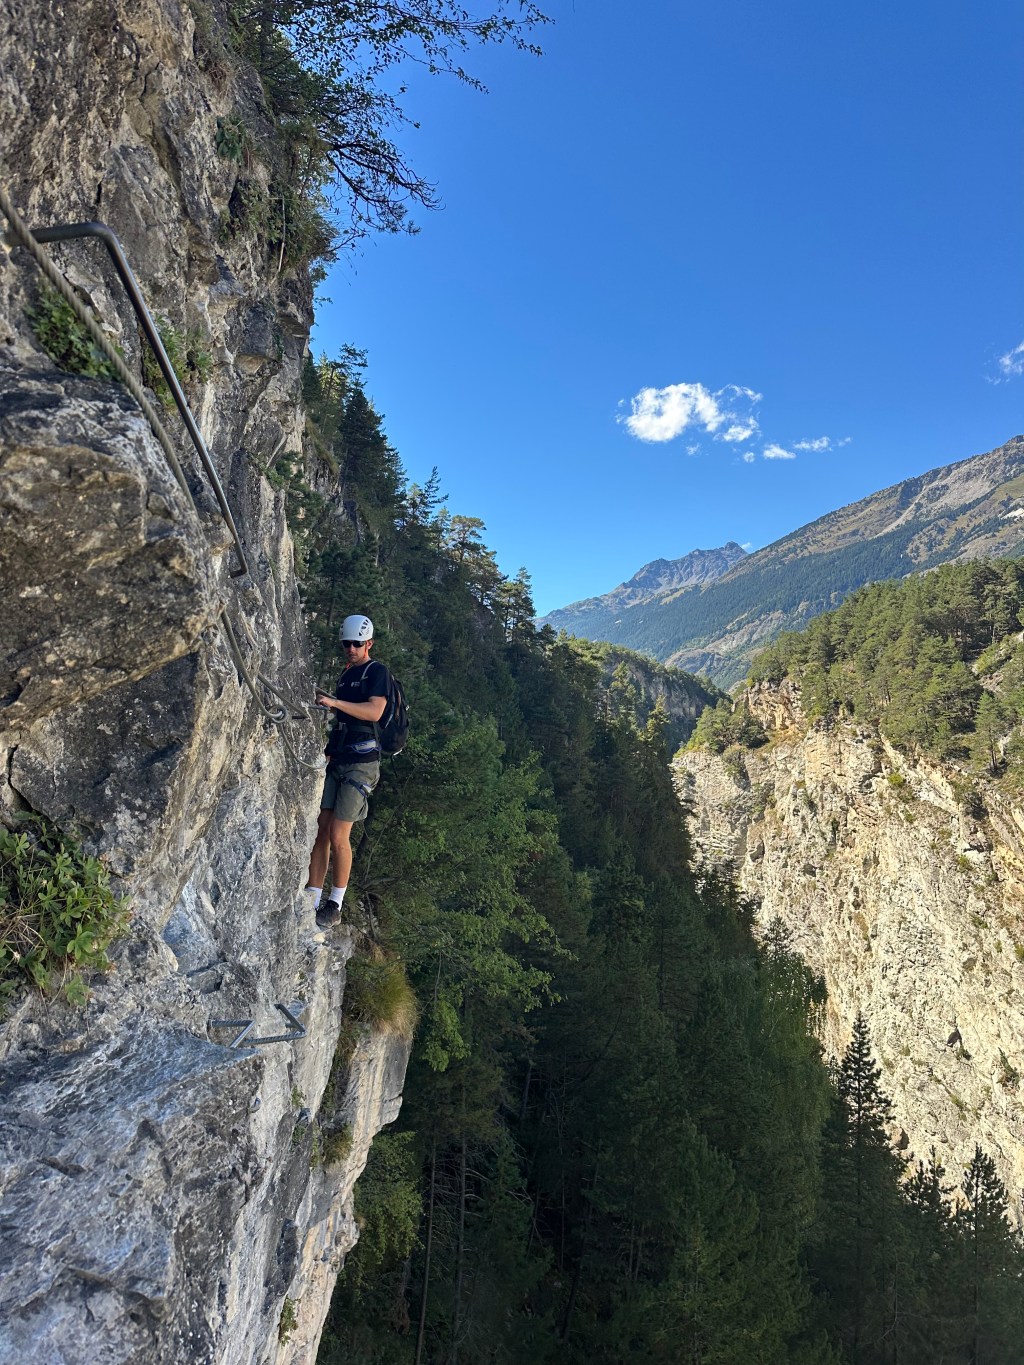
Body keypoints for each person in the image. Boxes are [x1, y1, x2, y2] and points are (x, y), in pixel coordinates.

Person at [304, 613, 389, 929]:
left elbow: (375, 711)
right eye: (347, 644)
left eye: (357, 643)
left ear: (369, 644)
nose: (351, 649)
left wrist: (336, 703)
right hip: (339, 758)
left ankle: (335, 904)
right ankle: (312, 896)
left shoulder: (376, 672)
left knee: (340, 834)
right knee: (322, 828)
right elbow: (344, 721)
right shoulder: (347, 674)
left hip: (362, 764)